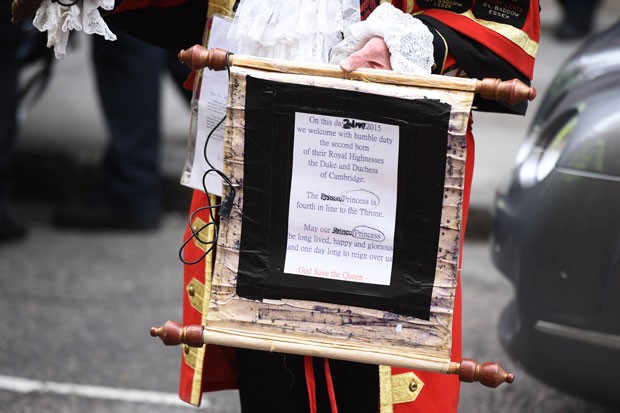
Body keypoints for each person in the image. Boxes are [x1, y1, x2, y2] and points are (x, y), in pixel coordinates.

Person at [14, 0, 540, 411]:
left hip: (377, 140)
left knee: (367, 356)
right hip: (249, 134)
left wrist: (408, 39)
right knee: (267, 353)